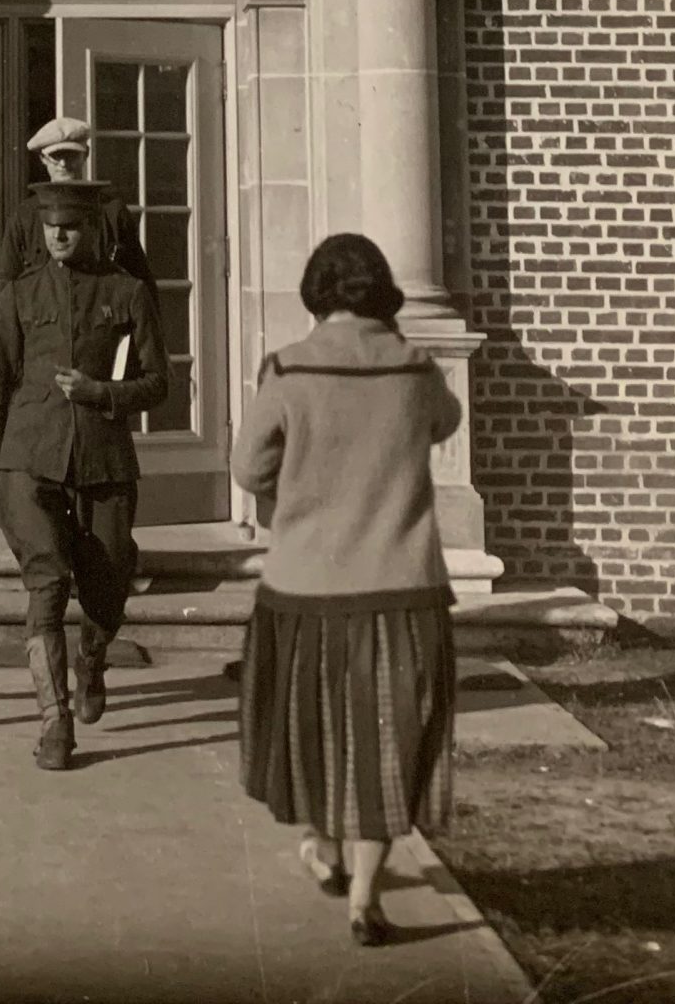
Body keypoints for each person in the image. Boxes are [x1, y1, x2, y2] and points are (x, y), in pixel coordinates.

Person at [230, 232, 462, 948]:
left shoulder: (288, 369)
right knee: (387, 740)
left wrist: (295, 486)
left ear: (315, 294)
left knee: (312, 731)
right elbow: (444, 424)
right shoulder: (415, 368)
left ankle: (323, 848)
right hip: (402, 587)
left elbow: (247, 469)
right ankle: (364, 896)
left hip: (304, 588)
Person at [0, 176, 168, 771]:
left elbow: (160, 384)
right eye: (50, 225)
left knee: (107, 585)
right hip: (29, 462)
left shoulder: (127, 292)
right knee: (47, 585)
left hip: (103, 460)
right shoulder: (19, 294)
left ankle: (92, 657)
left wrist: (103, 392)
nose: (59, 233)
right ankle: (55, 725)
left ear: (91, 229)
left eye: (71, 225)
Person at [0, 115, 155, 289]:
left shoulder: (111, 211)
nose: (64, 164)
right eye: (56, 156)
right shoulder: (24, 216)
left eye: (71, 155)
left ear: (85, 154)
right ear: (42, 159)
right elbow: (7, 285)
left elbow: (141, 281)